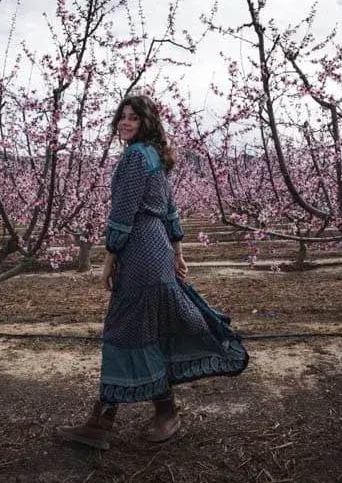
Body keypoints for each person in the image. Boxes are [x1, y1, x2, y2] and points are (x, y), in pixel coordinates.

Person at [58, 94, 248, 450]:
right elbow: (171, 210)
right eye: (122, 116)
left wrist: (110, 257)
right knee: (148, 329)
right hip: (157, 248)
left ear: (146, 122)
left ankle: (110, 421)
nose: (125, 122)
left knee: (124, 329)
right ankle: (152, 415)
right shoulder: (154, 157)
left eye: (133, 117)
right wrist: (177, 251)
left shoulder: (134, 157)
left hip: (140, 253)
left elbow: (123, 212)